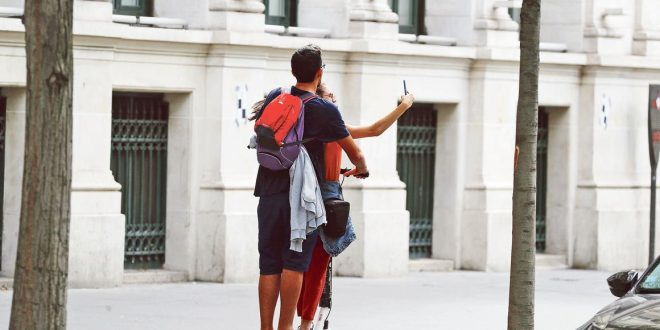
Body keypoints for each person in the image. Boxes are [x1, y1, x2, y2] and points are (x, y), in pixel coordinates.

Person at [253, 44, 369, 330]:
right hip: (302, 195)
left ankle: (266, 327)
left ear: (294, 72)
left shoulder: (275, 97)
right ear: (319, 73)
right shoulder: (323, 108)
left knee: (269, 263)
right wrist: (362, 169)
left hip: (268, 190)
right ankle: (285, 327)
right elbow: (355, 152)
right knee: (294, 261)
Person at [296, 83, 415, 330]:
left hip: (300, 198)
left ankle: (297, 319)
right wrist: (404, 105)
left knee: (299, 263)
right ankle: (306, 324)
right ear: (321, 103)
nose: (334, 102)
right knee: (318, 265)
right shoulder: (335, 129)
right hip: (328, 200)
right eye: (330, 98)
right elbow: (375, 130)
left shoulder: (303, 130)